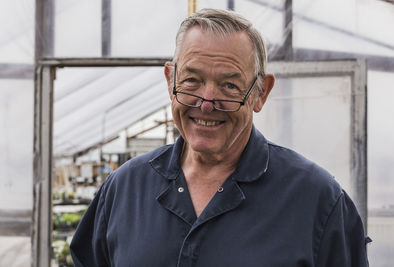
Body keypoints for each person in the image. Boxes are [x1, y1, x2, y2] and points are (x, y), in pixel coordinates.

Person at [70, 8, 370, 266]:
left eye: (229, 85)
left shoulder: (317, 200)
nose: (206, 102)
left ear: (260, 93)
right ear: (169, 79)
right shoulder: (125, 188)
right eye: (191, 80)